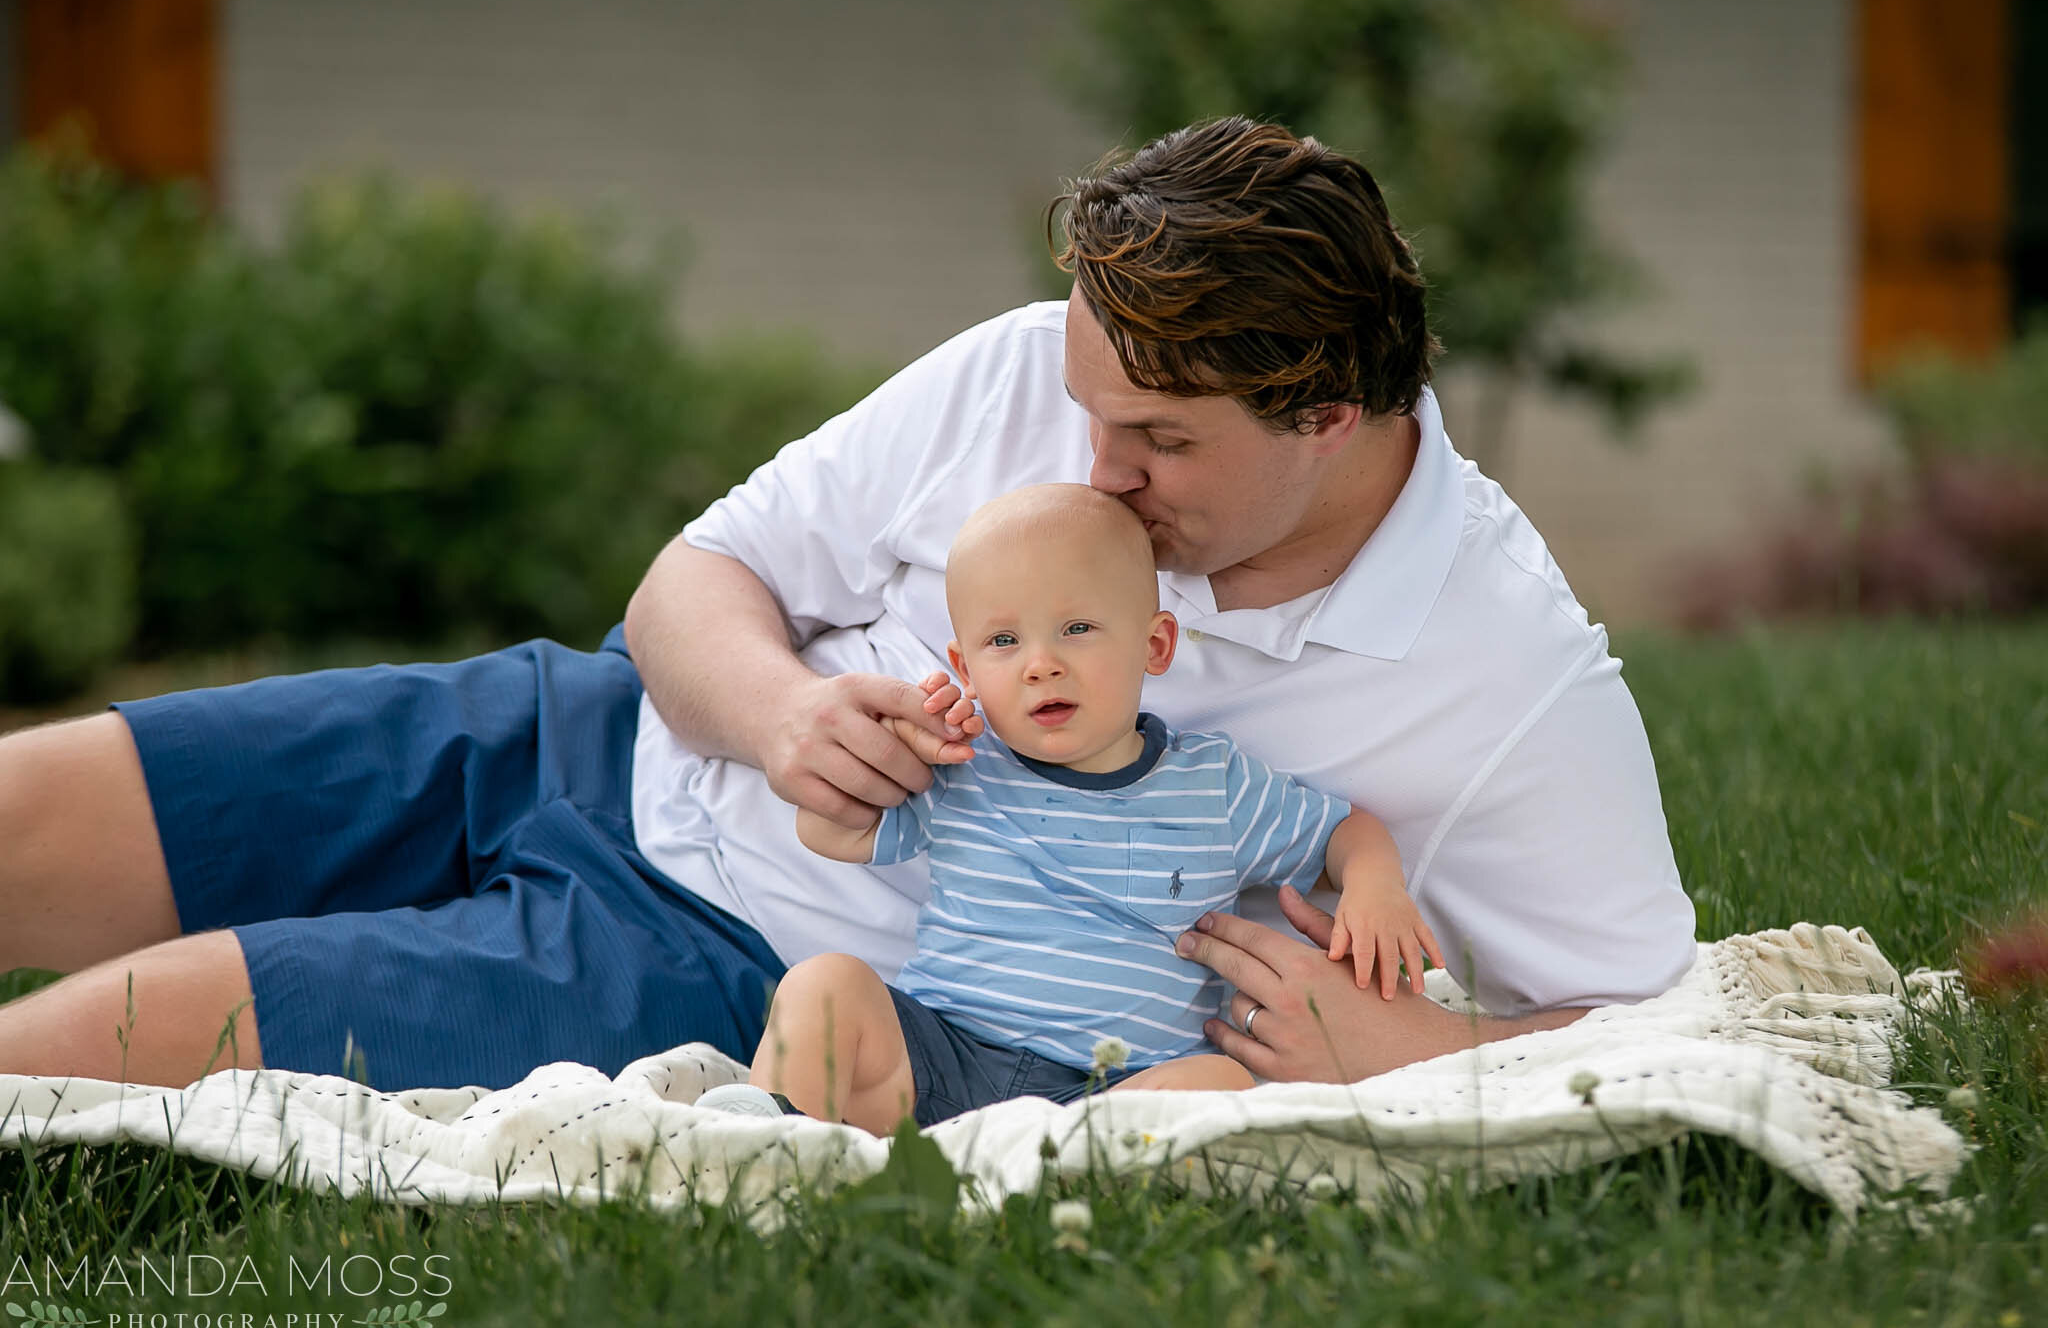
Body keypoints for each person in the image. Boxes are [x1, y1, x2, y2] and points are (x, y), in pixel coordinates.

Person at [0, 116, 1695, 1093]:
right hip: (575, 738)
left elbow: (1660, 1032)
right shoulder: (1026, 380)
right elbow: (689, 585)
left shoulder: (1508, 683)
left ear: (1328, 414)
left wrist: (1386, 1049)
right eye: (1087, 408)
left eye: (1159, 443)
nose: (1089, 466)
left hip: (703, 965)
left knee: (86, 1047)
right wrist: (787, 715)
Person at [735, 484, 1439, 1132]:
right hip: (935, 1064)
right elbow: (831, 829)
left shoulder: (1216, 788)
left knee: (1218, 1081)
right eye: (1004, 641)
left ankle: (1055, 1191)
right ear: (967, 669)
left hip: (1108, 1095)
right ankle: (765, 1148)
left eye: (1076, 628)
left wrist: (1374, 884)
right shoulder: (960, 764)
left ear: (1154, 643)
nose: (1040, 663)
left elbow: (1347, 829)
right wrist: (884, 750)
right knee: (825, 983)